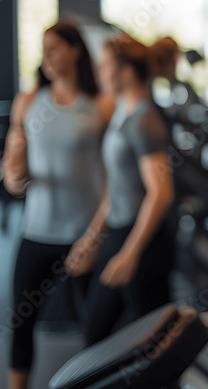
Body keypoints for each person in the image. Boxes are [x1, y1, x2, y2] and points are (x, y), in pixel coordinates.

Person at [2, 22, 115, 389]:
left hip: (83, 233)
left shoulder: (101, 105)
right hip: (36, 231)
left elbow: (115, 181)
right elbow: (11, 173)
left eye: (54, 48)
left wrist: (95, 237)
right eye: (44, 48)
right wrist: (15, 177)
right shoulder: (29, 101)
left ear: (76, 50)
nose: (47, 55)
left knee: (95, 329)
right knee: (21, 323)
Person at [67, 33, 175, 345]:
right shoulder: (121, 112)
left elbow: (161, 192)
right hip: (119, 234)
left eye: (104, 66)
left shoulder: (144, 120)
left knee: (155, 348)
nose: (99, 73)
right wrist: (92, 237)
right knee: (96, 333)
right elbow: (115, 186)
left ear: (126, 71)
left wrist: (130, 253)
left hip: (144, 243)